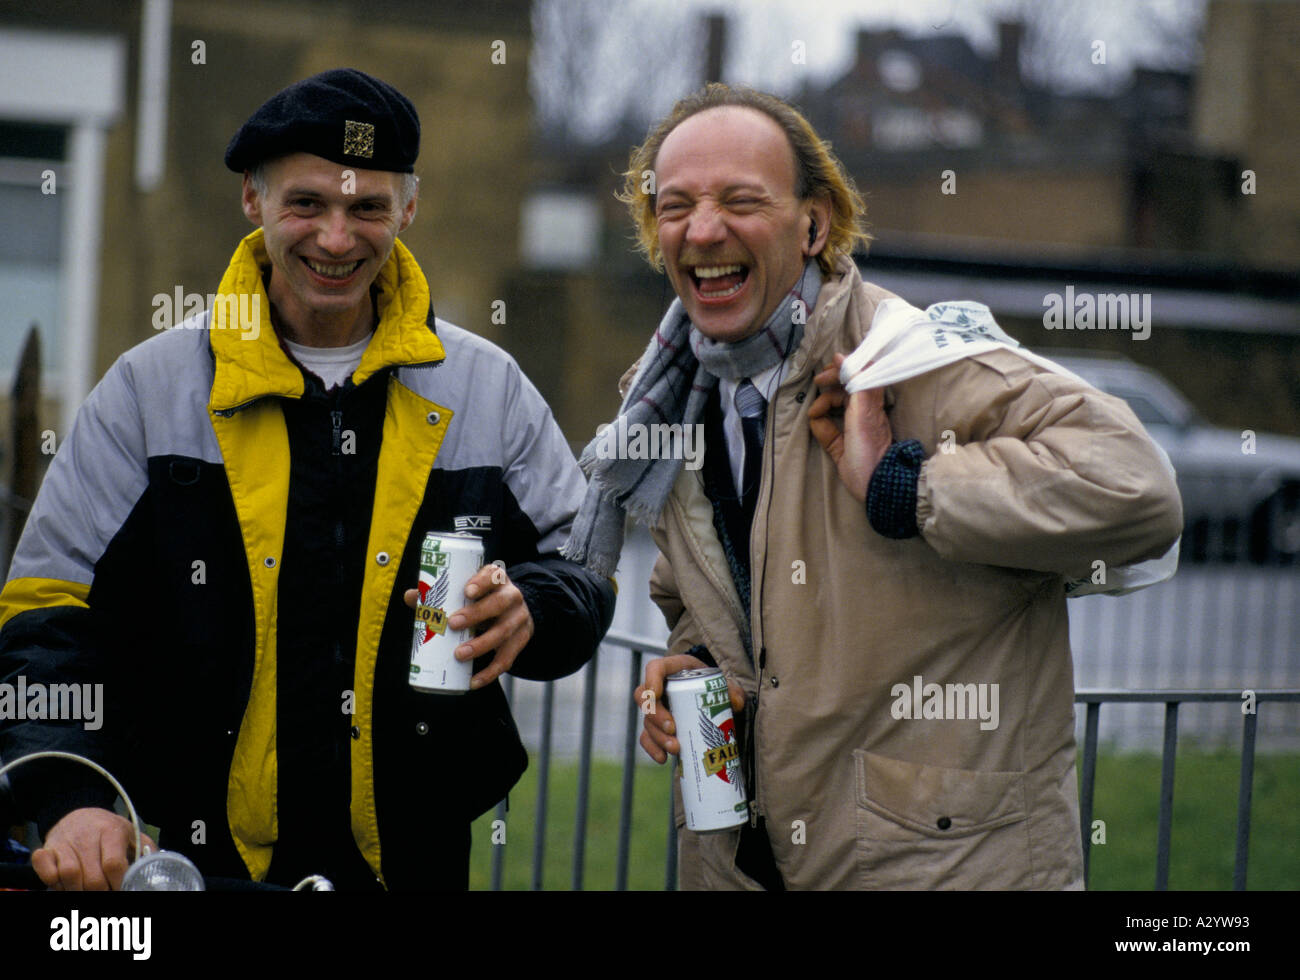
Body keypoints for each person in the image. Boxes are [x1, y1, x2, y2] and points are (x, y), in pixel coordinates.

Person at [0, 68, 614, 891]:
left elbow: (585, 565)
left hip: (420, 860)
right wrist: (75, 796)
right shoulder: (149, 390)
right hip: (191, 863)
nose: (336, 238)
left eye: (367, 207)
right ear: (252, 202)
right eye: (307, 203)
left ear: (409, 209)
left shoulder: (488, 387)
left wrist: (535, 608)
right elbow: (46, 612)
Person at [564, 83, 1182, 890]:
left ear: (814, 222)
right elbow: (700, 598)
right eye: (674, 205)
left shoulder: (915, 357)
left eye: (741, 200)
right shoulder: (675, 391)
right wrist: (694, 666)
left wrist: (904, 484)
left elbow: (1138, 489)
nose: (703, 228)